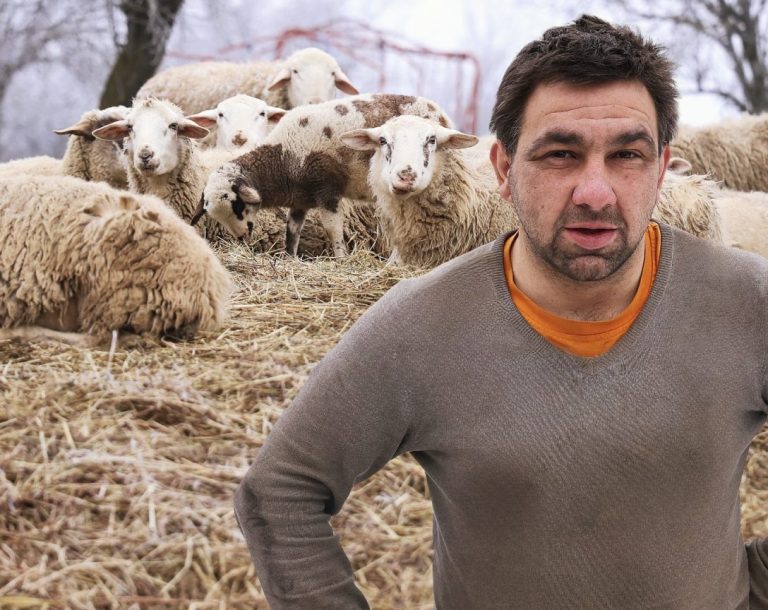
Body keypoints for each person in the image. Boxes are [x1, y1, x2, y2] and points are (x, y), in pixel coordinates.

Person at [234, 14, 768, 609]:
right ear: (504, 171)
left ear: (662, 169)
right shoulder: (420, 326)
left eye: (627, 155)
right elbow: (280, 492)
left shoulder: (751, 303)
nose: (595, 193)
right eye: (560, 154)